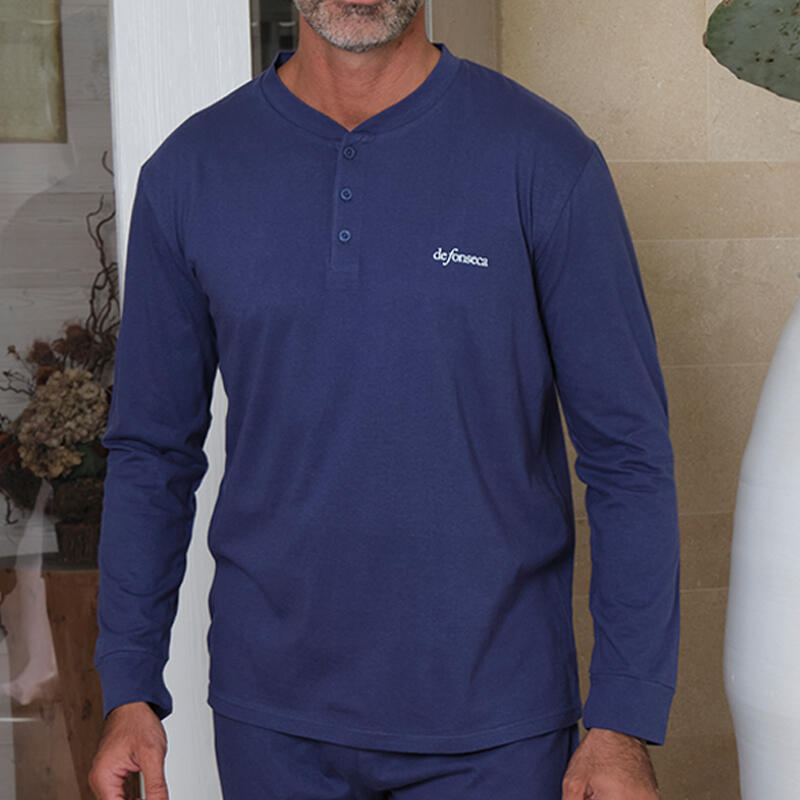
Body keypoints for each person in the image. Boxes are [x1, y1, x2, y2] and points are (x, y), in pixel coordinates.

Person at [89, 1, 680, 798]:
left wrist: (623, 717)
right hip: (272, 724)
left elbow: (627, 457)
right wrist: (129, 685)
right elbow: (151, 454)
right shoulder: (191, 171)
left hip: (497, 721)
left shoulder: (542, 157)